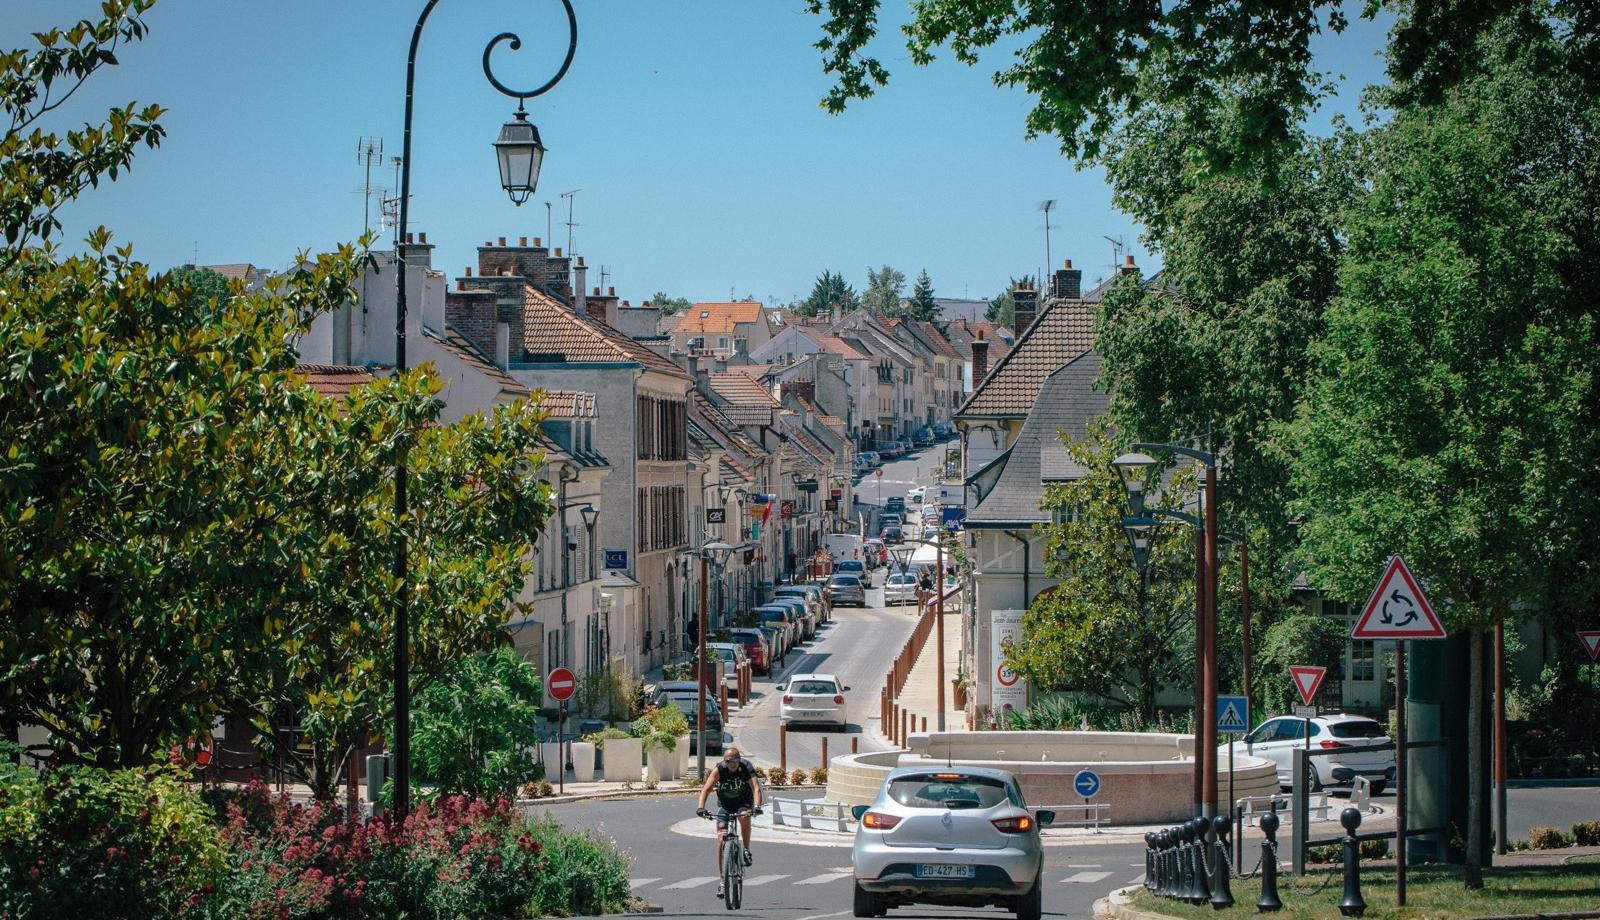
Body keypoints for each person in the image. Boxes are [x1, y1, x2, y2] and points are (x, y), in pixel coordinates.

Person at [696, 745, 763, 898]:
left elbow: (756, 789)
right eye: (728, 761)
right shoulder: (719, 769)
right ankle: (722, 881)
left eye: (735, 761)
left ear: (740, 760)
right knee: (721, 838)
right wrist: (701, 808)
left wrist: (757, 807)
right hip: (725, 805)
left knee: (744, 816)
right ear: (725, 761)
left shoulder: (746, 767)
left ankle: (746, 849)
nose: (732, 764)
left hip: (743, 803)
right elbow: (706, 790)